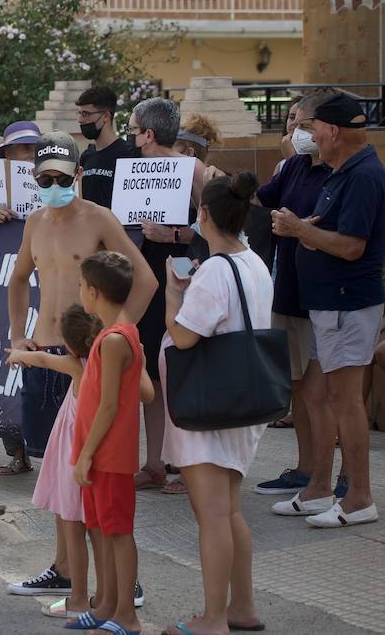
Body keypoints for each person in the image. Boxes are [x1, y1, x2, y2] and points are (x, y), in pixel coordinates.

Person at [4, 132, 155, 602]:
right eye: (45, 177)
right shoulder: (35, 221)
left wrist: (115, 333)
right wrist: (16, 333)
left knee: (87, 475)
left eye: (61, 177)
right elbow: (18, 279)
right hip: (46, 353)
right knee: (56, 478)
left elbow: (145, 280)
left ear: (78, 175)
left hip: (83, 359)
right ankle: (66, 569)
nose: (53, 185)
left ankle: (119, 583)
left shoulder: (99, 219)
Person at [162, 172, 271, 635]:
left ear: (204, 215)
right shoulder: (255, 263)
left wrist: (173, 294)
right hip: (244, 399)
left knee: (212, 517)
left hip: (209, 406)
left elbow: (185, 336)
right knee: (229, 511)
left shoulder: (212, 271)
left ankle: (212, 619)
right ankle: (241, 608)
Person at [271, 92, 383, 528]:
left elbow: (353, 247)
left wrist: (301, 230)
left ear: (333, 131)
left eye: (313, 127)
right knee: (322, 395)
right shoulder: (342, 172)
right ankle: (319, 486)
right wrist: (308, 231)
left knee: (345, 400)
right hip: (328, 305)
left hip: (346, 303)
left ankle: (358, 497)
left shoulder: (363, 176)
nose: (309, 135)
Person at [253, 94, 331, 497]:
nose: (293, 131)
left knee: (321, 394)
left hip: (319, 295)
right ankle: (304, 469)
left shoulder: (341, 173)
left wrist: (299, 228)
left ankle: (326, 476)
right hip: (287, 290)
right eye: (290, 122)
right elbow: (260, 199)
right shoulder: (294, 167)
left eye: (301, 123)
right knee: (298, 387)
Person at [8, 306, 107, 619]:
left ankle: (77, 597)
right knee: (94, 531)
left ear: (70, 345)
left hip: (72, 457)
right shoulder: (102, 363)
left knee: (72, 528)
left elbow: (41, 359)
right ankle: (102, 595)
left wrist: (17, 354)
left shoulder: (76, 366)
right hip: (90, 455)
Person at [70, 251, 145, 635]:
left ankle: (127, 617)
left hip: (109, 455)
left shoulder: (115, 339)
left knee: (118, 533)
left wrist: (85, 454)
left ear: (95, 292)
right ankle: (108, 607)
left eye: (82, 286)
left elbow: (110, 404)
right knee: (102, 530)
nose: (79, 292)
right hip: (100, 454)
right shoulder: (113, 333)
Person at [128, 97, 195, 495]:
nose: (131, 137)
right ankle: (154, 463)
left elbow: (219, 230)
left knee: (180, 378)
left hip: (184, 284)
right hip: (146, 284)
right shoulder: (133, 174)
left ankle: (187, 466)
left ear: (148, 135)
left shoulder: (192, 173)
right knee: (151, 376)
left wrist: (170, 235)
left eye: (134, 130)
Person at [76, 86, 134, 210]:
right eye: (79, 113)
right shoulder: (86, 156)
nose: (80, 120)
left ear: (106, 116)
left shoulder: (127, 155)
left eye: (86, 114)